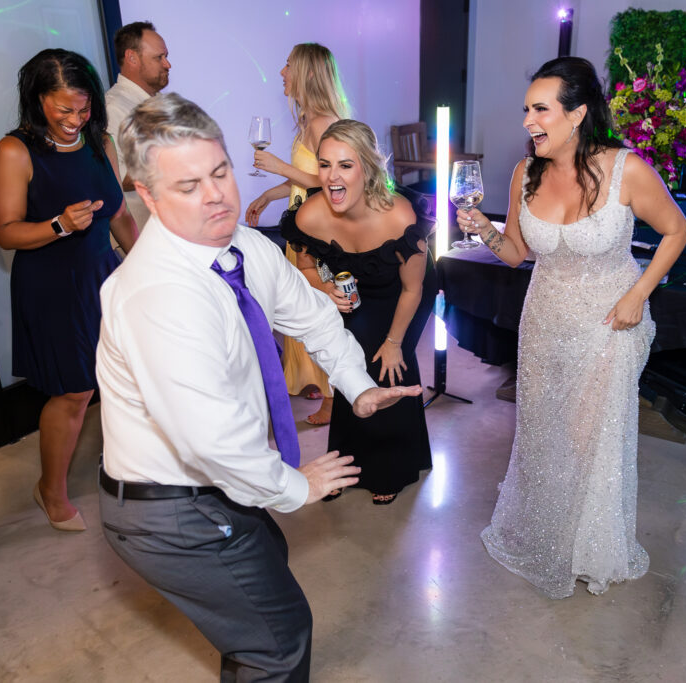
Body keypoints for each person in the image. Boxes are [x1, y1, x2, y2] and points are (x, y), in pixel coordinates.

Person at [96, 92, 421, 681]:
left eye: (219, 171)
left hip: (221, 485)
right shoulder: (159, 296)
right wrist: (291, 485)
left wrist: (356, 384)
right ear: (146, 194)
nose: (217, 194)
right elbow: (211, 440)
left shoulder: (243, 247)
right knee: (278, 640)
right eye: (188, 185)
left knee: (260, 621)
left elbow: (314, 316)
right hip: (172, 508)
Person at [460, 57, 686, 598]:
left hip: (611, 321)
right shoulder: (525, 173)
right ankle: (547, 530)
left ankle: (589, 547)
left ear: (578, 113)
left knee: (591, 436)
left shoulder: (625, 169)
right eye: (526, 110)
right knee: (545, 430)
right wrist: (482, 230)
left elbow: (676, 230)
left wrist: (638, 294)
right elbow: (516, 254)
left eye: (540, 109)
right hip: (543, 320)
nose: (527, 121)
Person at [0, 49, 138, 532]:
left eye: (84, 108)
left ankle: (128, 469)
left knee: (119, 380)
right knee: (75, 391)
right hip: (53, 284)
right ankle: (50, 490)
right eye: (63, 110)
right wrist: (58, 224)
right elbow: (6, 231)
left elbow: (118, 212)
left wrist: (145, 266)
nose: (76, 119)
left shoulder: (102, 142)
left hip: (103, 277)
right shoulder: (15, 151)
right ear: (37, 100)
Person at [280, 120, 436, 505]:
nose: (332, 177)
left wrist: (396, 341)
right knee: (351, 356)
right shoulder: (310, 216)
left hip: (407, 291)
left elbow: (414, 288)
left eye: (345, 165)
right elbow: (306, 270)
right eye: (324, 164)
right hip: (354, 289)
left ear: (367, 169)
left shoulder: (398, 215)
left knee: (387, 362)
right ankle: (347, 463)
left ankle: (392, 466)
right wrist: (326, 288)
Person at [245, 43, 350, 426]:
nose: (281, 72)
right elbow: (301, 184)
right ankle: (327, 391)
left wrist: (276, 167)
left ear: (306, 73)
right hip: (299, 231)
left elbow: (331, 182)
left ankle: (336, 395)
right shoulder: (309, 120)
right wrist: (267, 194)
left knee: (323, 314)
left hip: (319, 237)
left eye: (287, 65)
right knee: (306, 313)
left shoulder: (324, 123)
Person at [105, 21, 171, 231]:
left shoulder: (160, 102)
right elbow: (118, 179)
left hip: (168, 231)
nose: (167, 64)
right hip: (139, 239)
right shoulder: (112, 108)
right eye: (159, 57)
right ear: (132, 58)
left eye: (166, 56)